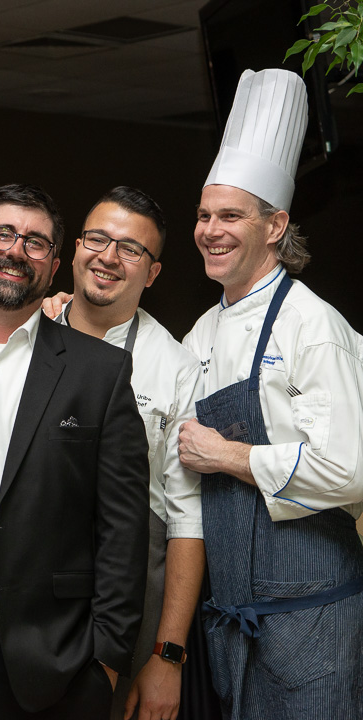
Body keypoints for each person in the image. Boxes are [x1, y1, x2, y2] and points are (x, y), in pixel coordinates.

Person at [0, 183, 150, 720]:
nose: (15, 250)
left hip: (58, 672)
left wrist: (105, 660)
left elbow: (123, 530)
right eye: (2, 234)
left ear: (56, 265)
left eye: (35, 242)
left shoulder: (99, 374)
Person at [178, 68, 363, 720]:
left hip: (314, 619)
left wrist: (228, 456)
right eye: (204, 215)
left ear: (275, 224)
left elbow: (347, 470)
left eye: (230, 215)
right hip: (231, 625)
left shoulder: (315, 328)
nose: (211, 229)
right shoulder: (198, 334)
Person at [43, 186, 205, 720]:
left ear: (152, 273)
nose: (108, 257)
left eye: (130, 249)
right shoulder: (25, 335)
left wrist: (167, 656)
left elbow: (186, 520)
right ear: (75, 248)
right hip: (31, 581)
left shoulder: (174, 366)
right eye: (98, 238)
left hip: (133, 594)